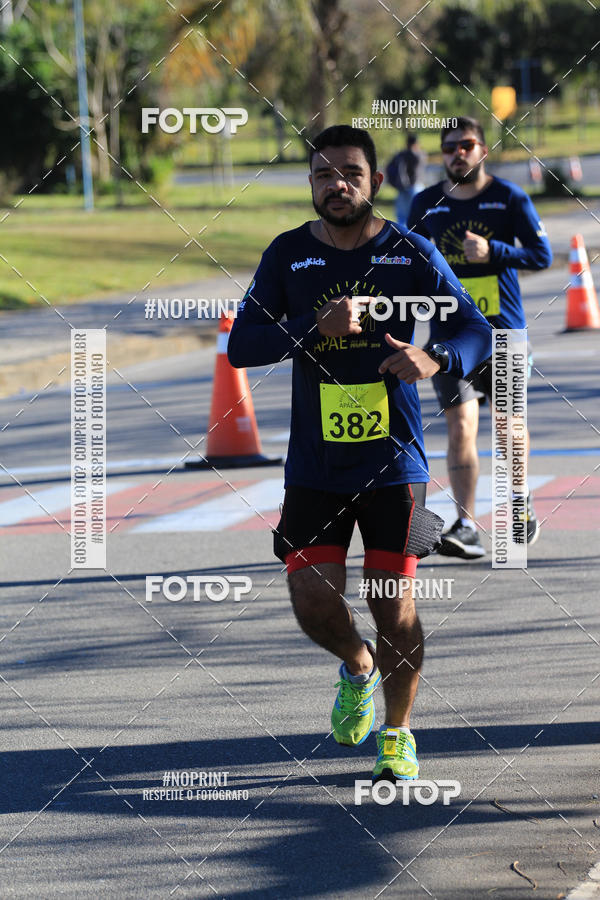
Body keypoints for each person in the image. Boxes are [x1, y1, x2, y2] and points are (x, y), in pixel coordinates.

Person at [228, 125, 491, 782]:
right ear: (311, 185)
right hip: (315, 465)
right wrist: (308, 328)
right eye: (323, 175)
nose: (336, 185)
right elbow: (242, 345)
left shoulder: (409, 251)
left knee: (391, 602)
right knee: (312, 598)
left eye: (350, 172)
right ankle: (357, 666)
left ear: (376, 181)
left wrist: (436, 355)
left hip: (392, 460)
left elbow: (473, 328)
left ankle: (397, 733)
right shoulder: (288, 255)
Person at [408, 116, 552, 559]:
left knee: (507, 425)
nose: (457, 154)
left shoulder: (509, 198)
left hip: (503, 334)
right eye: (448, 147)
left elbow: (542, 255)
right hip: (450, 340)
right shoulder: (426, 203)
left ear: (483, 151)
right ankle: (466, 524)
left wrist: (496, 252)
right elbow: (408, 267)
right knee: (460, 426)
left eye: (466, 145)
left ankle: (518, 499)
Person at [386, 134, 426, 225]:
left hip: (402, 188)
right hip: (415, 187)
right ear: (416, 143)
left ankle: (402, 237)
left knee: (401, 218)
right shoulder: (419, 155)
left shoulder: (400, 155)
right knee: (418, 217)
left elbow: (388, 167)